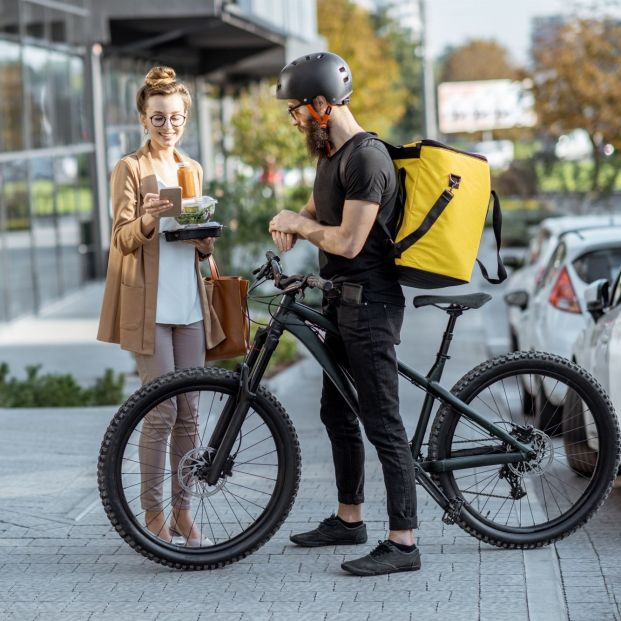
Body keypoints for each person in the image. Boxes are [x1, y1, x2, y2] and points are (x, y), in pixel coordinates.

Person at [268, 52, 420, 576]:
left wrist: (302, 225)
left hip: (371, 306)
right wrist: (294, 219)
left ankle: (403, 542)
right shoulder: (330, 154)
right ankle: (349, 518)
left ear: (321, 104)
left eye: (296, 111)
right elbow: (318, 210)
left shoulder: (367, 159)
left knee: (383, 423)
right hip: (340, 301)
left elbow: (350, 241)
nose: (294, 121)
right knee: (336, 413)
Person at [97, 66, 224, 545]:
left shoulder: (192, 169)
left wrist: (206, 241)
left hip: (190, 305)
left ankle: (183, 511)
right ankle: (153, 515)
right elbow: (120, 239)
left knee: (190, 412)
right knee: (161, 413)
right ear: (143, 118)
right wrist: (147, 219)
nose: (166, 126)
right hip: (149, 308)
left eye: (174, 118)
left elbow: (199, 246)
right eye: (157, 117)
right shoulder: (130, 168)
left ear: (185, 119)